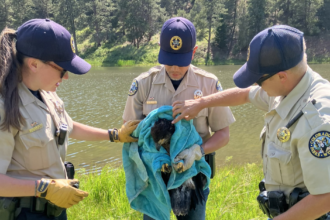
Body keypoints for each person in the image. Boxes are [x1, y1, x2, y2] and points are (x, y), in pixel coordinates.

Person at [172, 25, 330, 220]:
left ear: (281, 76)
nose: (256, 85)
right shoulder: (288, 86)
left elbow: (325, 198)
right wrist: (201, 103)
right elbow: (245, 94)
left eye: (259, 80)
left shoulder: (317, 121)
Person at [0, 18, 139, 220]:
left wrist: (115, 135)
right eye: (62, 69)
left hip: (55, 209)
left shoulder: (46, 94)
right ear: (34, 64)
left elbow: (70, 127)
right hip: (24, 214)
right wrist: (43, 188)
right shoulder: (6, 107)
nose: (66, 77)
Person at [122, 17, 235, 220]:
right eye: (168, 59)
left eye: (181, 61)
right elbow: (129, 131)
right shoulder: (143, 84)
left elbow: (223, 134)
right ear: (159, 49)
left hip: (193, 175)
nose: (174, 68)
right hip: (154, 178)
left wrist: (197, 151)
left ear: (194, 51)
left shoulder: (209, 84)